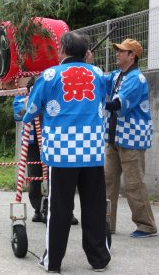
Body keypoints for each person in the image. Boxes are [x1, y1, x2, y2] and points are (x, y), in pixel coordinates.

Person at [23, 32, 111, 273]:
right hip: (92, 150)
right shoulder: (98, 74)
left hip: (62, 153)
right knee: (94, 206)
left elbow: (30, 109)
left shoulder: (50, 75)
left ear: (62, 50)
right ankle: (99, 259)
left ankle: (53, 262)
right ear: (86, 52)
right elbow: (107, 99)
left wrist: (22, 106)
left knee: (59, 208)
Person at [104, 39, 157, 238]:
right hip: (114, 137)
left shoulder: (137, 78)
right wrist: (85, 64)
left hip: (132, 138)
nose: (117, 53)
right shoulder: (117, 75)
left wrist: (97, 104)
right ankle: (106, 223)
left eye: (121, 51)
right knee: (107, 182)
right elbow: (100, 81)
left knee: (134, 183)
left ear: (132, 56)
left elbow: (118, 104)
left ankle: (146, 225)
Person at [13, 95, 79, 225]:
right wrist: (31, 103)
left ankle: (66, 211)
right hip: (32, 141)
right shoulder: (21, 93)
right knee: (35, 175)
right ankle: (38, 209)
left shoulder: (53, 86)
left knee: (60, 176)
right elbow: (19, 113)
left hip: (55, 138)